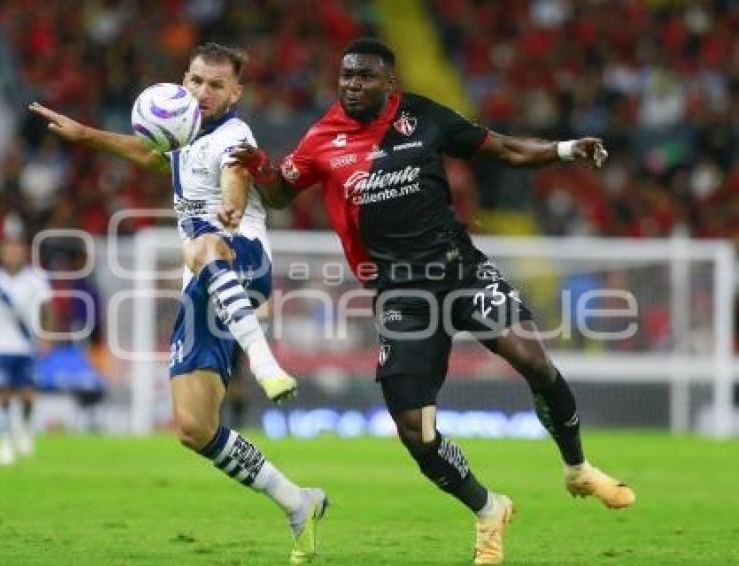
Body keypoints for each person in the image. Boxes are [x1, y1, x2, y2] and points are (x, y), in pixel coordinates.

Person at [232, 37, 635, 565]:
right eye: (346, 75)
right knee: (415, 433)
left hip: (459, 272)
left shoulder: (424, 117)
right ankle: (489, 508)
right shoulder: (321, 139)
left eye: (365, 76)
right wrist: (260, 165)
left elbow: (506, 150)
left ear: (389, 83)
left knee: (532, 358)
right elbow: (282, 192)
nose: (352, 84)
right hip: (401, 296)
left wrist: (564, 150)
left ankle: (578, 469)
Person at [29, 43, 327, 564]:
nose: (202, 92)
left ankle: (263, 362)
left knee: (201, 243)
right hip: (203, 282)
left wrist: (232, 206)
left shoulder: (235, 135)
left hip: (243, 260)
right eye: (195, 80)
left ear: (236, 93)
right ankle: (298, 501)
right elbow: (147, 153)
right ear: (182, 80)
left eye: (215, 85)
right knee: (194, 428)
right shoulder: (178, 132)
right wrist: (84, 135)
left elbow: (235, 176)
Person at [0, 237, 53, 466]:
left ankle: (25, 428)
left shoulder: (35, 279)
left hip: (27, 346)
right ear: (0, 253)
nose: (13, 254)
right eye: (8, 250)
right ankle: (5, 440)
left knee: (28, 396)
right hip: (0, 346)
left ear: (24, 252)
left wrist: (46, 336)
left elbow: (48, 308)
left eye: (17, 250)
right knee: (4, 395)